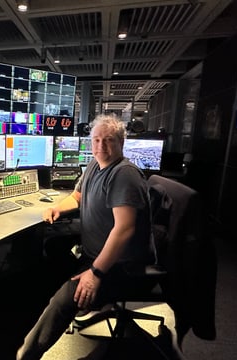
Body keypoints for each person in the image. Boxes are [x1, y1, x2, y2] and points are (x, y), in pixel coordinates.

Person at [16, 114, 155, 360]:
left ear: (121, 142)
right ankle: (52, 309)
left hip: (121, 266)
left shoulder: (124, 174)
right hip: (94, 252)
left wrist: (95, 274)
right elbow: (77, 196)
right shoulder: (94, 164)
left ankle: (26, 354)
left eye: (108, 140)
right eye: (96, 140)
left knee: (63, 300)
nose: (101, 146)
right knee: (49, 248)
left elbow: (124, 229)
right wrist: (57, 208)